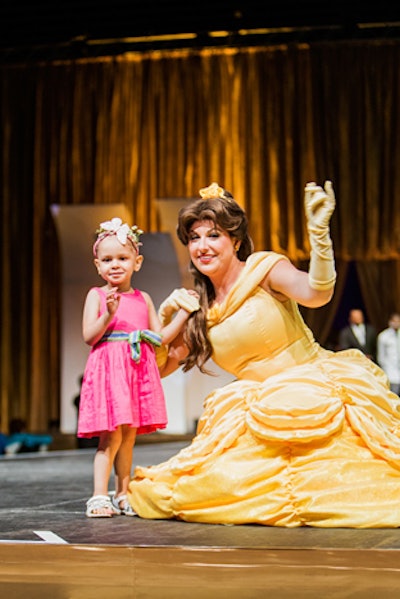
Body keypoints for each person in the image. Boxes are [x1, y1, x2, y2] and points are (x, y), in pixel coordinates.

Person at [127, 181, 400, 528]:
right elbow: (159, 368)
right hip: (257, 409)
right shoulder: (199, 308)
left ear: (235, 241)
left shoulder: (263, 269)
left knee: (346, 484)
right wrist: (162, 324)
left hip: (314, 393)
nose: (202, 246)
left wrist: (319, 236)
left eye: (214, 235)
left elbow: (316, 293)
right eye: (194, 238)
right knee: (200, 489)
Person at [78, 217, 199, 518]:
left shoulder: (143, 299)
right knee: (111, 437)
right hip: (109, 368)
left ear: (137, 262)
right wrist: (108, 314)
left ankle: (122, 493)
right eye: (107, 260)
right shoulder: (97, 295)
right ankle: (97, 495)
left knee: (129, 436)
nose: (115, 265)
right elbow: (89, 336)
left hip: (134, 369)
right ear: (98, 265)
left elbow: (158, 338)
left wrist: (184, 315)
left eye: (122, 258)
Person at [377, 312, 400, 395]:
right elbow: (381, 356)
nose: (396, 323)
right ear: (390, 322)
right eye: (395, 321)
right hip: (390, 370)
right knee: (393, 394)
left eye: (398, 321)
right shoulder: (384, 336)